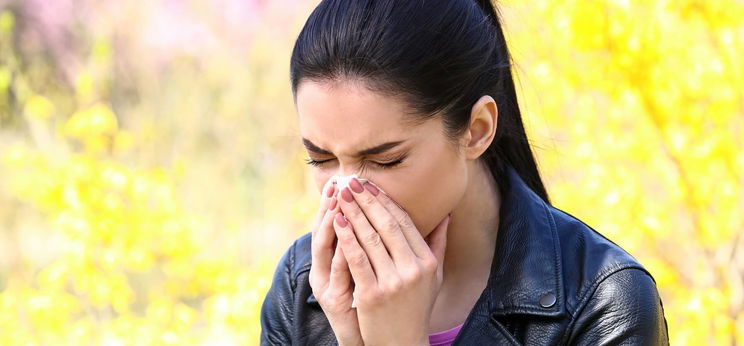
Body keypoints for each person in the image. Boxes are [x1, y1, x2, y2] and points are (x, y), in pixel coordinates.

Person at [260, 0, 670, 345]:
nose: (344, 191)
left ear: (477, 131)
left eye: (385, 160)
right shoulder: (303, 286)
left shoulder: (603, 299)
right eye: (321, 159)